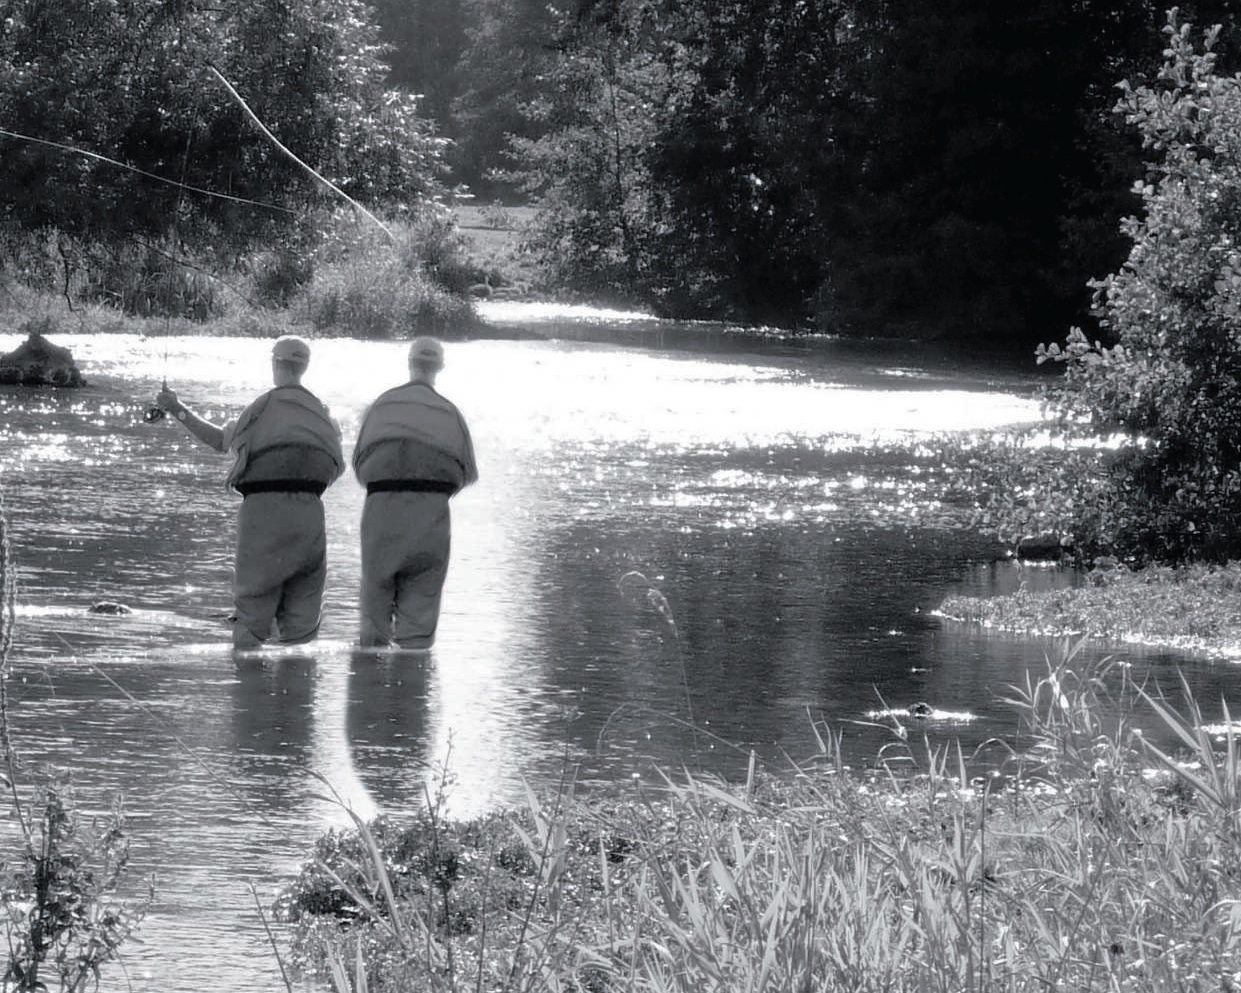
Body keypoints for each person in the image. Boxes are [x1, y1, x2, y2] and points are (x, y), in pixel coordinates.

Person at [156, 335, 344, 649]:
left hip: (262, 514)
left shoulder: (260, 408)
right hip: (311, 513)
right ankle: (297, 691)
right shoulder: (322, 414)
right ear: (305, 367)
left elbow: (219, 441)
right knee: (302, 621)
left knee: (252, 617)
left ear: (275, 365)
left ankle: (249, 690)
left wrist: (177, 408)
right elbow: (335, 465)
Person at [353, 336, 478, 650]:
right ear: (440, 367)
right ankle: (411, 692)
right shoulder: (451, 413)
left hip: (381, 510)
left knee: (373, 620)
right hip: (431, 515)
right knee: (419, 631)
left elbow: (359, 466)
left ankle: (369, 689)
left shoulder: (381, 405)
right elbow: (468, 475)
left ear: (409, 363)